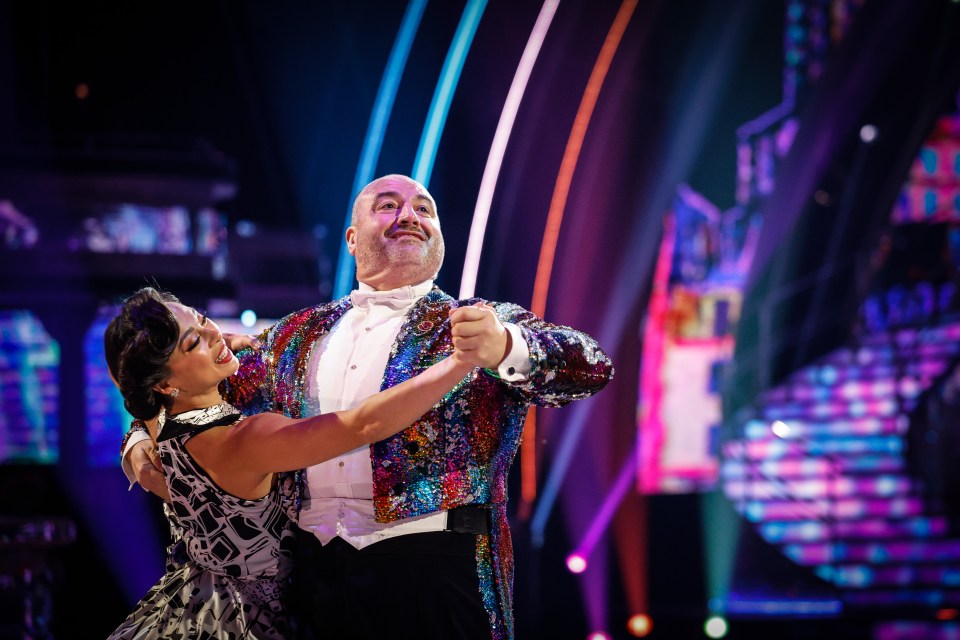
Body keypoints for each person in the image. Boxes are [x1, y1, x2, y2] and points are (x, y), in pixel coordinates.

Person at [123, 174, 614, 640]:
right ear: (352, 239)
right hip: (313, 579)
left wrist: (507, 345)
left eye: (425, 209)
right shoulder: (296, 335)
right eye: (388, 206)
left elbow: (593, 368)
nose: (409, 215)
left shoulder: (478, 324)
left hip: (435, 568)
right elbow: (188, 394)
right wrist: (140, 437)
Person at [105, 286, 481, 639]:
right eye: (193, 343)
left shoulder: (159, 423)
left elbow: (125, 374)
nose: (214, 334)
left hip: (183, 609)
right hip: (242, 623)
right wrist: (460, 362)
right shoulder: (245, 439)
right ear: (165, 384)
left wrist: (135, 439)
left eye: (203, 320)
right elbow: (364, 424)